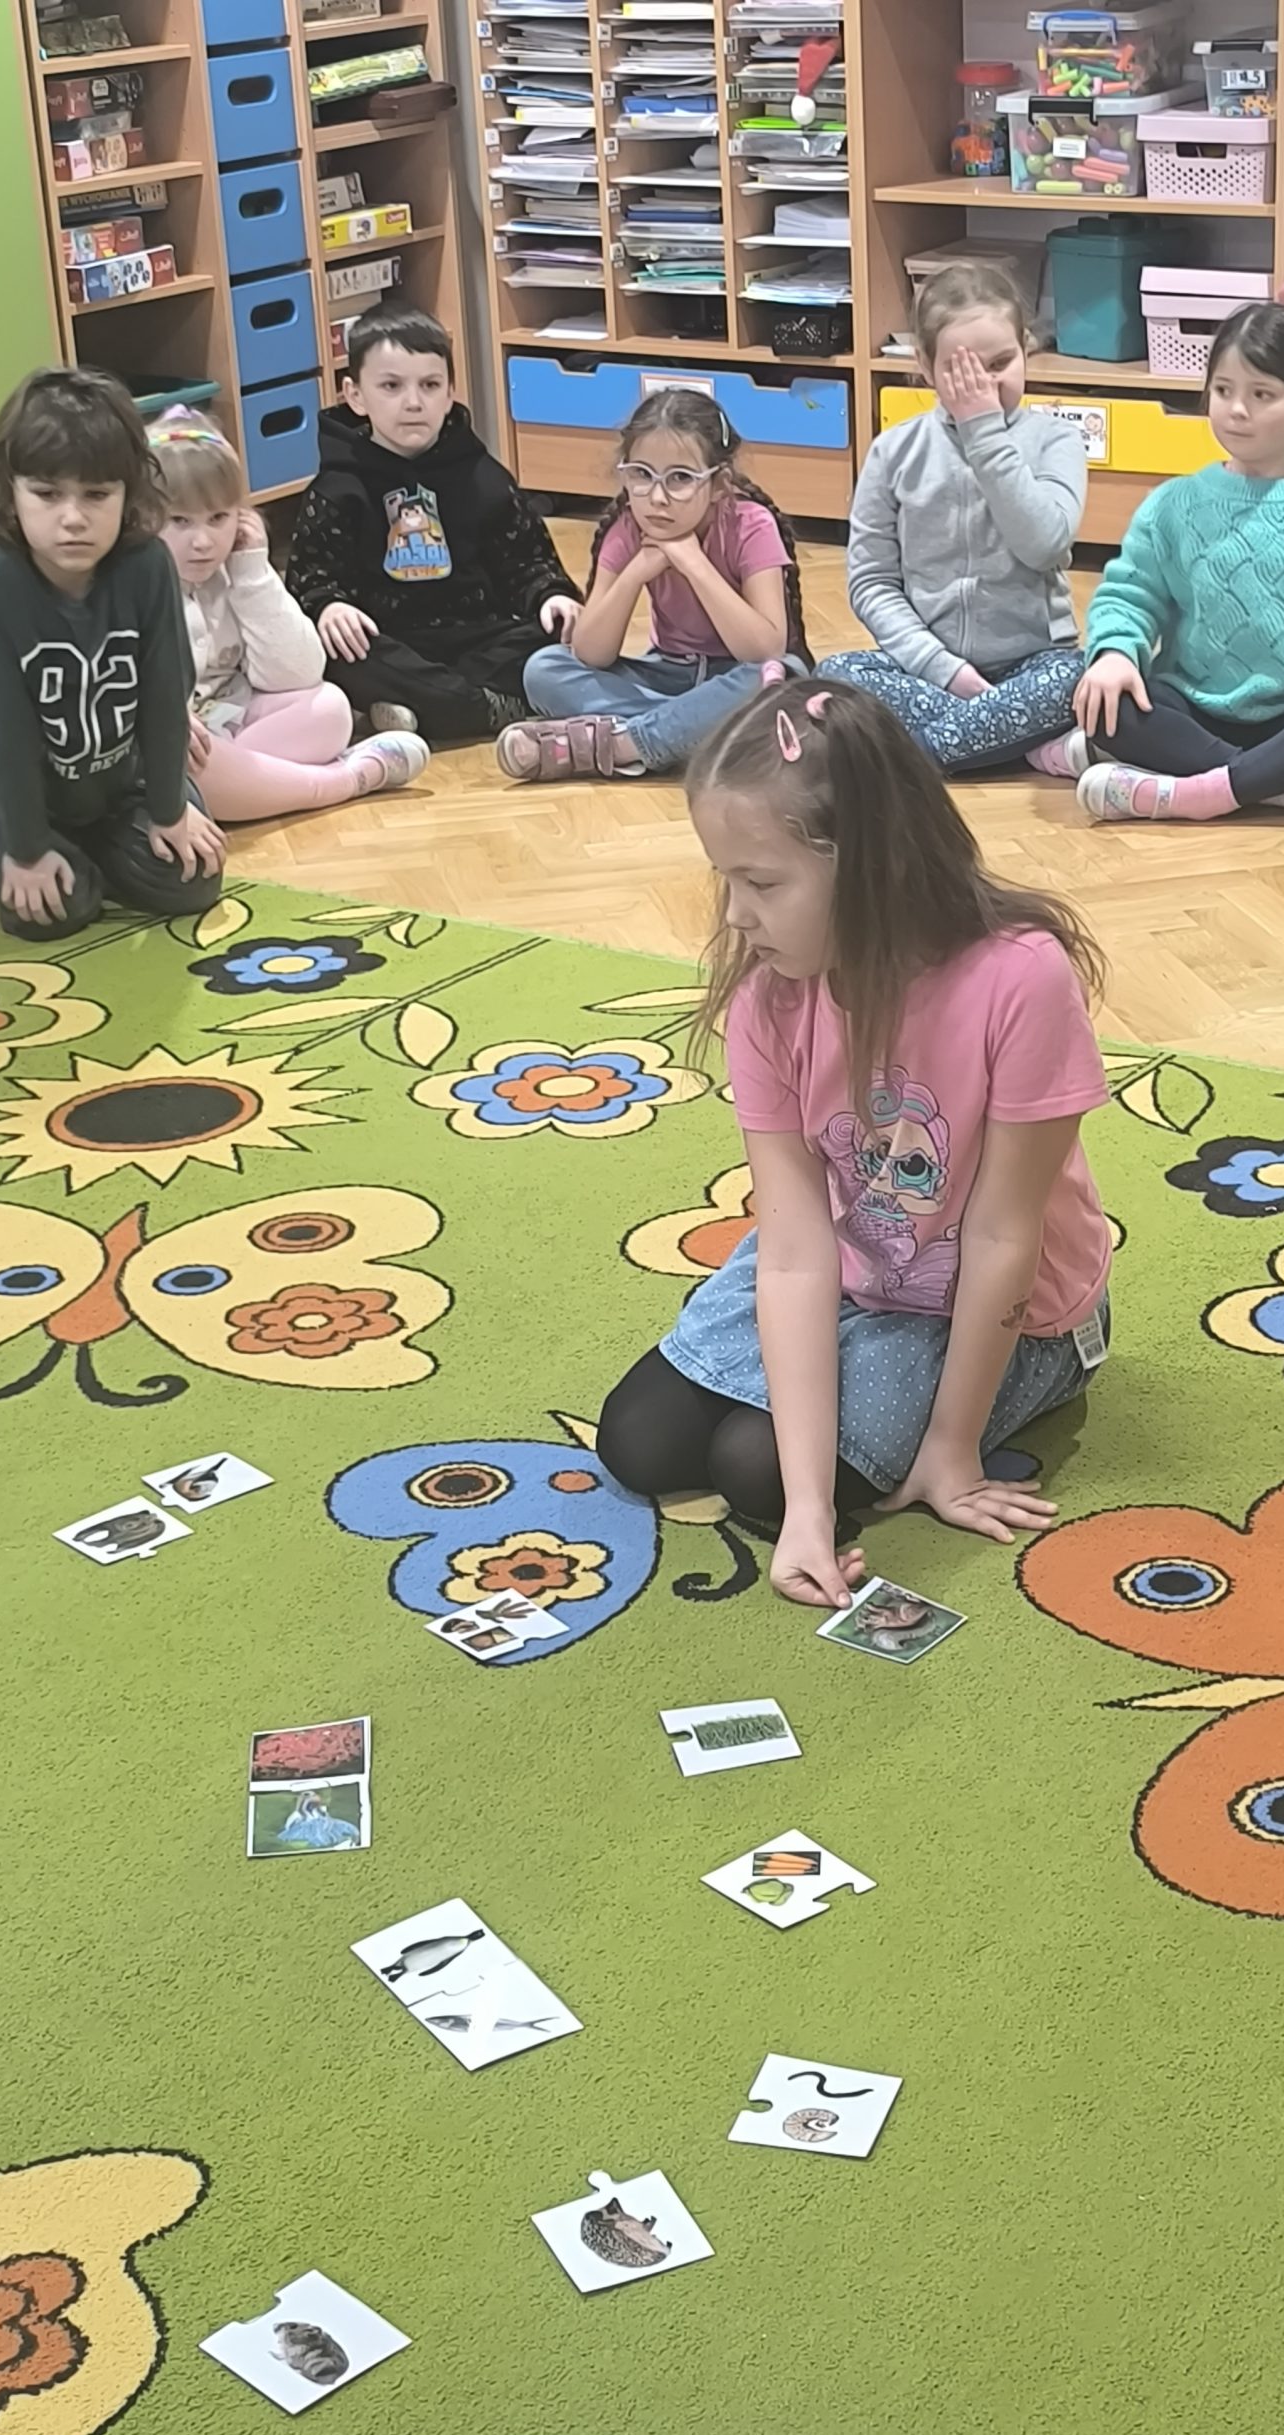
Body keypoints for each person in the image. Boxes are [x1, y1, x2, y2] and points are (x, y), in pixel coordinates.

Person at [594, 678, 1114, 1611]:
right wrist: (808, 1509)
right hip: (854, 1255)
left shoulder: (1019, 980)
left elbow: (1004, 1236)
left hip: (1005, 1301)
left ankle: (949, 1414)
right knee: (640, 1442)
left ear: (874, 865)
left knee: (750, 1468)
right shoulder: (770, 996)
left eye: (762, 883)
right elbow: (794, 1248)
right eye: (725, 879)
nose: (736, 915)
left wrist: (952, 1449)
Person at [1070, 301, 1284, 830]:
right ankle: (1279, 788)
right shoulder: (1173, 504)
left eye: (1262, 395)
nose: (1236, 409)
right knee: (1108, 705)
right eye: (1223, 390)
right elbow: (1128, 595)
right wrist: (1115, 653)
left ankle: (1194, 792)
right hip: (1194, 707)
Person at [0, 366, 222, 940]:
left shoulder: (146, 565)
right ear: (10, 491)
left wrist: (170, 811)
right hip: (17, 778)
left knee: (192, 882)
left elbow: (165, 693)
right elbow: (3, 735)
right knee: (49, 913)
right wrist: (25, 849)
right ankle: (11, 848)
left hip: (119, 777)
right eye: (47, 494)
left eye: (97, 495)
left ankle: (92, 846)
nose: (73, 518)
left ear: (129, 492)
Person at [813, 261, 1086, 773]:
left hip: (1034, 664)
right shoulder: (893, 451)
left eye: (1000, 363)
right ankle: (1001, 740)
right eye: (962, 372)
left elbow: (1045, 545)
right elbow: (872, 581)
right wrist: (945, 670)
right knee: (833, 676)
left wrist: (984, 433)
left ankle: (913, 757)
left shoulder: (1056, 440)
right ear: (924, 364)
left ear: (1026, 347)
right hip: (928, 672)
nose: (983, 386)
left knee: (1078, 679)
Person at [285, 310, 579, 744]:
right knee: (337, 651)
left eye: (430, 385)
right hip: (389, 640)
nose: (413, 402)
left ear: (450, 393)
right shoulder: (337, 489)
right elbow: (309, 579)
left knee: (564, 632)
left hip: (480, 636)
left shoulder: (484, 477)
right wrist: (328, 606)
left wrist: (550, 594)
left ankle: (427, 707)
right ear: (355, 395)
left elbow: (528, 561)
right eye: (391, 386)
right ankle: (488, 707)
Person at [498, 388, 805, 780]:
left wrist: (694, 564)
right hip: (666, 675)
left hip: (734, 676)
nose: (658, 497)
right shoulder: (627, 528)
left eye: (681, 478)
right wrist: (636, 572)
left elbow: (764, 650)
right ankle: (682, 735)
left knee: (773, 677)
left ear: (718, 484)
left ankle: (621, 744)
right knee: (543, 669)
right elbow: (591, 653)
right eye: (641, 475)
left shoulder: (751, 525)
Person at [148, 406, 429, 821]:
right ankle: (343, 781)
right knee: (187, 765)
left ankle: (252, 789)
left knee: (331, 707)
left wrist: (253, 573)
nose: (203, 541)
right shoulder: (133, 587)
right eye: (179, 521)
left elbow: (297, 674)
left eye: (219, 518)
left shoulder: (236, 571)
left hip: (231, 725)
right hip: (174, 745)